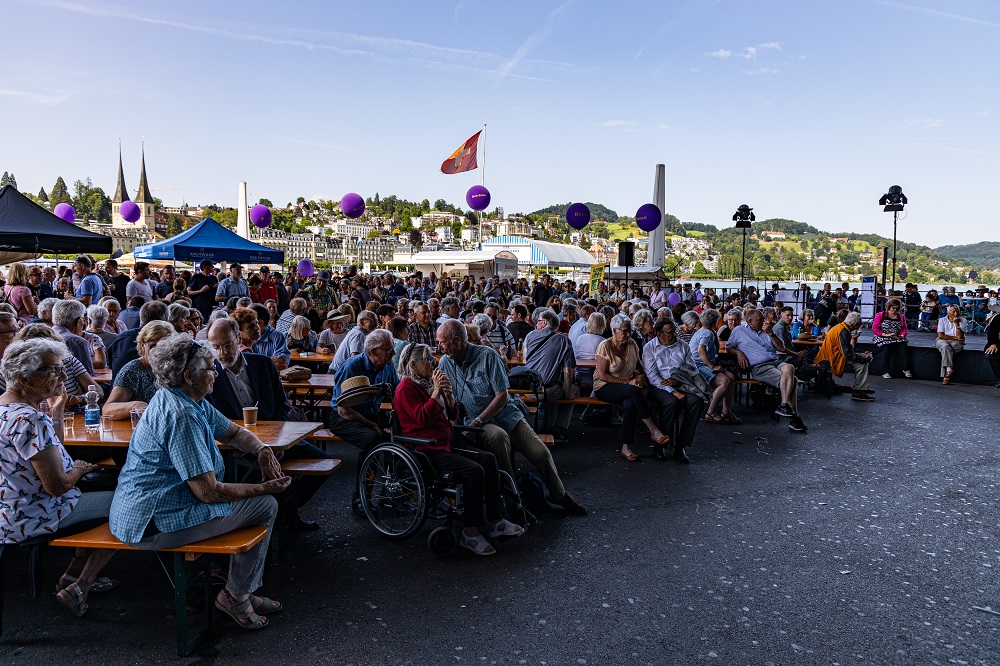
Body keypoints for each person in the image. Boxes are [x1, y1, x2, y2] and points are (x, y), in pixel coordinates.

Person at [110, 334, 290, 630]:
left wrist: (261, 449)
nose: (216, 372)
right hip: (152, 524)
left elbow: (232, 431)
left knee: (255, 501)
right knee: (266, 504)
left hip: (147, 512)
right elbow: (209, 492)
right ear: (188, 376)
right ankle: (236, 595)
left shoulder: (184, 397)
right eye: (209, 367)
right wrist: (265, 487)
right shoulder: (181, 414)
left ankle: (239, 590)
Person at [0, 338, 117, 617]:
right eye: (54, 370)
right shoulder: (29, 420)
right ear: (23, 377)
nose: (63, 376)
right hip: (37, 515)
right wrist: (79, 468)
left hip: (9, 512)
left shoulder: (11, 411)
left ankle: (72, 576)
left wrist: (57, 410)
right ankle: (80, 586)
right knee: (131, 504)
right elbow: (57, 487)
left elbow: (50, 451)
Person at [436, 319, 586, 515]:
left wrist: (478, 420)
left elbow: (502, 396)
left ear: (456, 341)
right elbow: (451, 404)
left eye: (442, 342)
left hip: (503, 415)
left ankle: (559, 495)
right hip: (476, 423)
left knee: (540, 452)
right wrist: (447, 400)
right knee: (498, 438)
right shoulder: (445, 363)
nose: (439, 347)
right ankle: (514, 501)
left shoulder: (487, 355)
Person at [205, 318, 333, 530]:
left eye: (227, 345)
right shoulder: (210, 375)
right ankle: (279, 519)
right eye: (216, 347)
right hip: (235, 448)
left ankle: (287, 510)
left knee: (326, 462)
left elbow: (282, 406)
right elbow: (212, 421)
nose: (222, 353)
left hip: (276, 441)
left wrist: (279, 441)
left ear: (238, 339)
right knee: (262, 476)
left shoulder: (262, 364)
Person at [394, 343, 522, 556]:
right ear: (413, 364)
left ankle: (495, 519)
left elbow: (452, 415)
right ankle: (470, 533)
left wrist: (449, 395)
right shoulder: (406, 388)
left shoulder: (427, 383)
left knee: (488, 460)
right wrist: (436, 393)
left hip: (447, 441)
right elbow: (423, 418)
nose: (432, 362)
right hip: (426, 448)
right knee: (474, 471)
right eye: (426, 359)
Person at [593, 314, 671, 461]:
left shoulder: (632, 344)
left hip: (628, 388)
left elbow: (639, 367)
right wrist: (627, 382)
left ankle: (626, 447)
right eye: (624, 331)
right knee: (633, 391)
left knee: (629, 405)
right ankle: (653, 429)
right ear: (614, 330)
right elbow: (602, 376)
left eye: (629, 331)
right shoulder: (605, 346)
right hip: (605, 387)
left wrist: (648, 377)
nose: (628, 334)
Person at [726, 309, 807, 432]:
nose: (764, 321)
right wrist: (738, 352)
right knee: (793, 380)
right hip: (760, 366)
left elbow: (781, 348)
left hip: (775, 361)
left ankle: (784, 405)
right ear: (750, 321)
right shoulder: (739, 331)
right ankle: (795, 419)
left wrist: (771, 334)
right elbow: (729, 348)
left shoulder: (767, 330)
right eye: (760, 320)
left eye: (763, 318)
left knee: (789, 368)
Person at [644, 317, 709, 463]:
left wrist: (677, 380)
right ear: (659, 334)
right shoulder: (649, 348)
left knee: (696, 402)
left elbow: (692, 368)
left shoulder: (683, 345)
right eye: (670, 332)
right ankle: (661, 444)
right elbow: (652, 376)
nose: (675, 335)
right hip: (659, 386)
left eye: (674, 331)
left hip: (681, 384)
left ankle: (681, 446)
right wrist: (672, 390)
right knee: (671, 402)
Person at [328, 329, 398, 453]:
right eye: (389, 350)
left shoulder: (388, 365)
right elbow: (344, 411)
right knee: (372, 438)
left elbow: (396, 393)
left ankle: (395, 471)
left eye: (393, 347)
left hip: (372, 412)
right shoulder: (351, 367)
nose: (394, 352)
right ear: (373, 351)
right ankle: (366, 473)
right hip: (345, 417)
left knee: (401, 433)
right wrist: (372, 424)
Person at [102, 321, 175, 420]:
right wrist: (135, 406)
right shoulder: (133, 371)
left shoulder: (173, 368)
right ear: (142, 346)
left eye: (164, 346)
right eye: (153, 346)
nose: (159, 351)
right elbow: (107, 410)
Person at [523, 309, 576, 443]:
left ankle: (548, 426)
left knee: (556, 387)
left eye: (538, 321)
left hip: (528, 389)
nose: (536, 324)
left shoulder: (530, 336)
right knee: (571, 389)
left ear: (545, 323)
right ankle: (560, 428)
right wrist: (568, 394)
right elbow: (568, 371)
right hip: (546, 390)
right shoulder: (564, 340)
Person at [689, 308, 738, 424]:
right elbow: (701, 350)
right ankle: (710, 412)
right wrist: (711, 366)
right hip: (698, 366)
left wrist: (714, 334)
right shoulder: (706, 333)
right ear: (715, 321)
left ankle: (726, 410)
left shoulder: (705, 331)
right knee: (724, 382)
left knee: (731, 377)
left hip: (699, 363)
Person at [815, 312, 875, 401]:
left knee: (863, 358)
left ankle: (861, 386)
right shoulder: (843, 331)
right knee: (862, 365)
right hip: (832, 359)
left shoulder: (842, 328)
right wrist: (863, 358)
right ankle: (858, 391)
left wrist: (862, 354)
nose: (859, 327)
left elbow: (847, 349)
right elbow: (847, 354)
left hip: (833, 355)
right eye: (859, 325)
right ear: (855, 324)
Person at [107, 300, 169, 377]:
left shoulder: (121, 337)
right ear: (166, 320)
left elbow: (110, 364)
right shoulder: (165, 340)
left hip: (115, 385)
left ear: (141, 317)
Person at [52, 300, 97, 375]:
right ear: (78, 321)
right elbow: (87, 375)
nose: (84, 322)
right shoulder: (77, 342)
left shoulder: (45, 335)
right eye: (83, 318)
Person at [872, 298, 912, 379]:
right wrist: (885, 335)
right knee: (886, 349)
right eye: (893, 308)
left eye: (897, 309)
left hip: (895, 336)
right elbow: (875, 328)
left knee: (903, 347)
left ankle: (906, 368)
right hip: (883, 336)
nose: (895, 310)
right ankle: (885, 371)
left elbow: (904, 329)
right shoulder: (881, 315)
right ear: (889, 307)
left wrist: (902, 335)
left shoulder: (900, 316)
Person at [936, 305, 966, 384]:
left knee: (946, 349)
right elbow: (941, 335)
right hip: (943, 340)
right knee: (945, 346)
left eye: (957, 311)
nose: (956, 313)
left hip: (956, 343)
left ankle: (947, 373)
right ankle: (948, 372)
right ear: (948, 312)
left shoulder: (963, 320)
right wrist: (955, 338)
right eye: (953, 311)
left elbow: (960, 336)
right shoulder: (942, 320)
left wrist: (956, 324)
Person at [985, 305, 1000, 388]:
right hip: (998, 342)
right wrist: (992, 344)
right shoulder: (998, 317)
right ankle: (999, 379)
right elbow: (991, 331)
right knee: (990, 355)